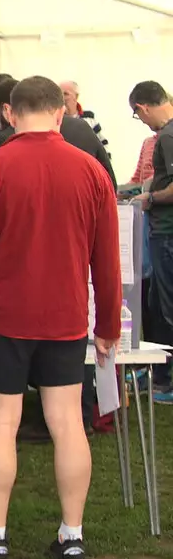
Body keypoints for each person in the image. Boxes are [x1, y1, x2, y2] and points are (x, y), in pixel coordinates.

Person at [0, 76, 119, 559]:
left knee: (0, 425)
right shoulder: (91, 171)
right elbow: (107, 261)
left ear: (9, 114)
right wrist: (107, 322)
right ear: (62, 112)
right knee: (68, 424)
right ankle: (72, 537)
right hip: (66, 318)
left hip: (4, 319)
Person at [131, 80, 173, 397]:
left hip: (166, 231)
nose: (142, 121)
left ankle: (166, 380)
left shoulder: (167, 136)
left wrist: (149, 199)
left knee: (166, 308)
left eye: (138, 115)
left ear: (143, 108)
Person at [0, 87, 115, 184]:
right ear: (60, 112)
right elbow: (109, 180)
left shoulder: (0, 143)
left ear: (8, 112)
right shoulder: (82, 128)